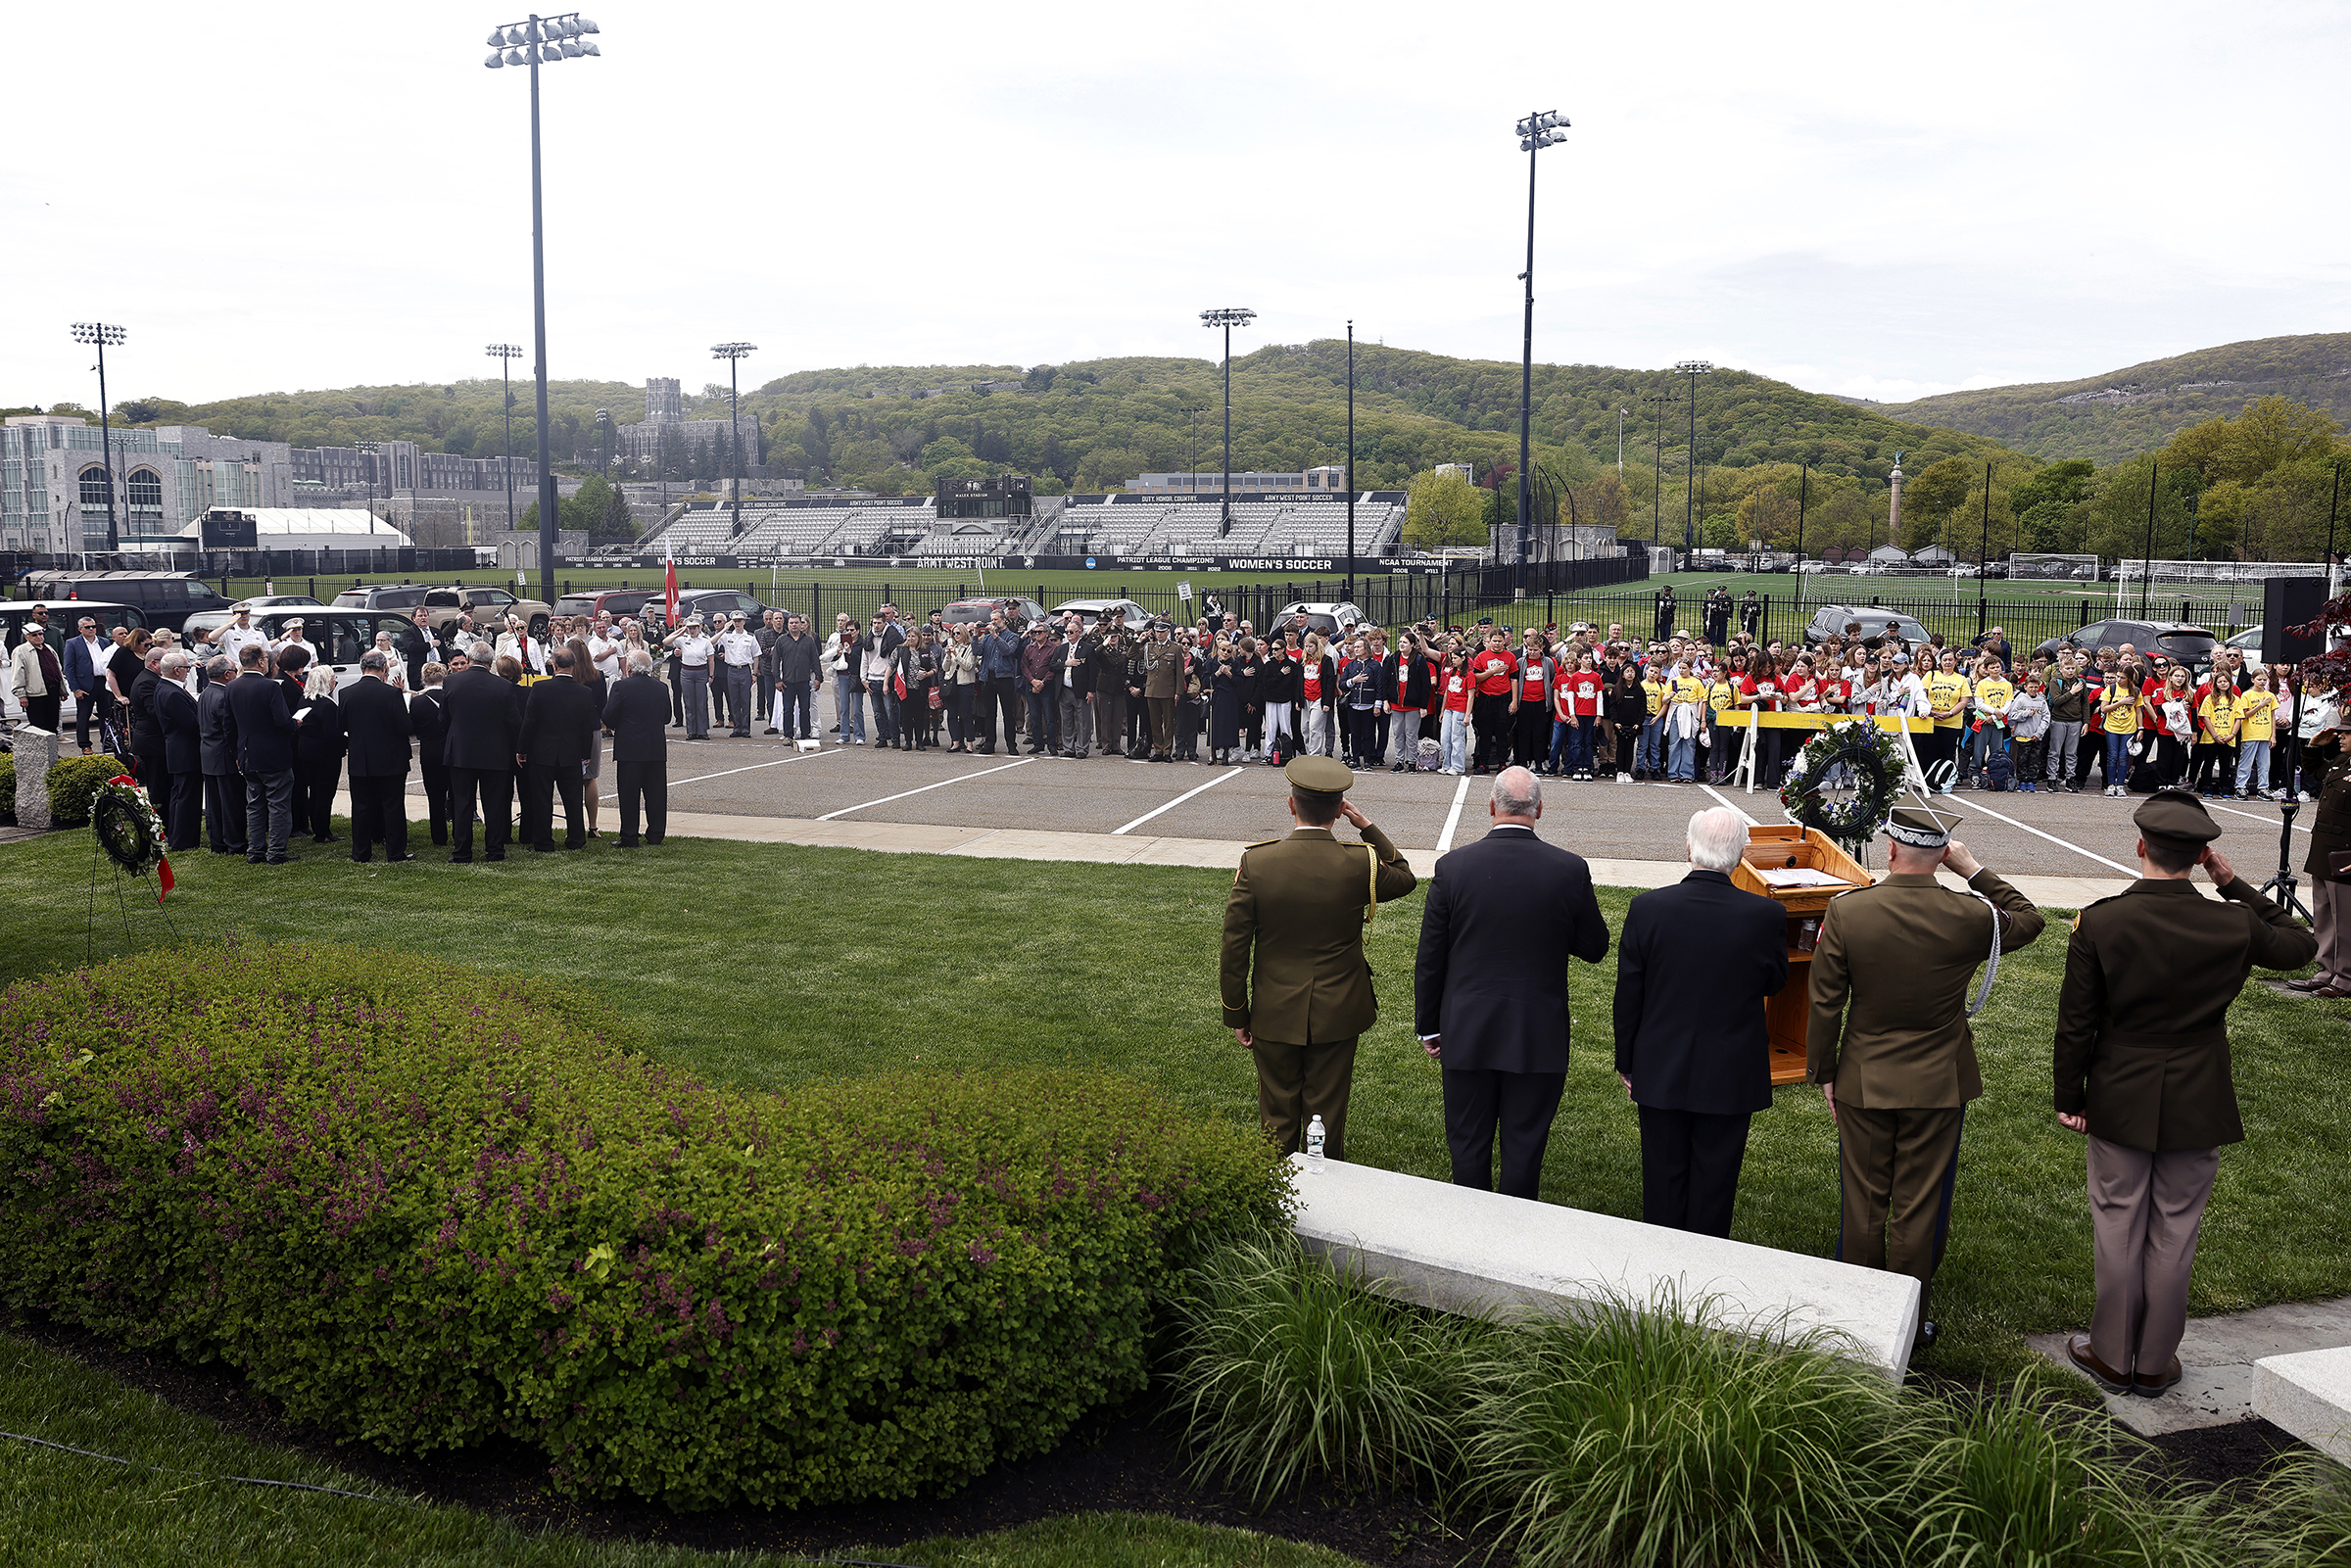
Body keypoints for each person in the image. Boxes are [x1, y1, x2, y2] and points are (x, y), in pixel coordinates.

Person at [2053, 790, 2315, 1396]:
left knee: (2119, 1225)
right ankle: (2152, 1362)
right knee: (2175, 1231)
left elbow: (2076, 1022)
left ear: (2140, 847)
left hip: (2120, 1089)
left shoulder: (2102, 918)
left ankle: (2113, 1356)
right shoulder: (2233, 921)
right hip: (2199, 1092)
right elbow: (2301, 946)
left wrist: (2071, 1093)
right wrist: (2236, 884)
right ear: (2201, 857)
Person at [1805, 805, 2045, 1349]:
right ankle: (1906, 1324)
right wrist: (1973, 870)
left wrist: (1823, 1070)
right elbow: (2028, 919)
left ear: (1890, 850)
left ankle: (1858, 1318)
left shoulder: (1848, 911)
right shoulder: (1971, 914)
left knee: (1864, 1202)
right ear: (1942, 854)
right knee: (1918, 1207)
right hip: (1940, 1081)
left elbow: (1825, 1003)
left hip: (1865, 1077)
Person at [1413, 767, 1610, 1200]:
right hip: (1536, 1033)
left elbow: (1431, 956)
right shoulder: (1569, 869)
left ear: (1491, 807)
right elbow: (1596, 946)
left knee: (1467, 1147)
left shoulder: (1453, 868)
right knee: (1524, 1152)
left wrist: (1429, 1024)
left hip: (1467, 1030)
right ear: (1539, 809)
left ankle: (1472, 1238)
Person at [1221, 756, 1418, 1160]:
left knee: (1276, 1115)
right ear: (1339, 809)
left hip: (1274, 1010)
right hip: (1339, 1008)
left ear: (1291, 804)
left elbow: (1234, 949)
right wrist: (1365, 826)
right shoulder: (1359, 861)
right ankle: (1325, 1194)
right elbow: (1405, 875)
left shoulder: (1257, 862)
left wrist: (1237, 1014)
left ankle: (1276, 1196)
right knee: (1325, 1114)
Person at [1613, 807, 1789, 1235]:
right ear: (1740, 855)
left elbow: (1629, 995)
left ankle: (1663, 1263)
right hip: (1729, 1069)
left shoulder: (1648, 908)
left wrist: (1627, 1060)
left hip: (1661, 1062)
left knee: (1663, 1177)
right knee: (1716, 1182)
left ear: (1688, 849)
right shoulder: (1765, 915)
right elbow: (1775, 982)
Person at [443, 641, 523, 864]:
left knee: (462, 803)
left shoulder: (451, 681)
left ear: (469, 660)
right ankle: (495, 851)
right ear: (490, 663)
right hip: (494, 752)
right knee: (494, 804)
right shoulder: (504, 686)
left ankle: (462, 851)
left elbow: (443, 717)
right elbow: (513, 722)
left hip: (461, 752)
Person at [518, 645, 601, 852]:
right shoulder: (584, 692)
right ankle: (576, 839)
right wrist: (585, 754)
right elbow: (587, 727)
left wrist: (522, 749)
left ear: (554, 665)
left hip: (542, 752)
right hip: (571, 753)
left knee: (542, 799)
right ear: (573, 666)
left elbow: (530, 722)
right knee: (572, 799)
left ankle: (543, 842)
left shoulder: (540, 688)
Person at [225, 642, 299, 865]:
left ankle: (256, 851)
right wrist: (295, 724)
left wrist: (235, 752)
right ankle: (276, 852)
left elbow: (228, 725)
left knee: (255, 804)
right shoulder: (270, 687)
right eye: (266, 659)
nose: (269, 662)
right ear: (260, 661)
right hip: (273, 755)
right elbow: (281, 721)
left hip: (247, 753)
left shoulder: (232, 687)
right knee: (278, 804)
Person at [341, 649, 415, 863]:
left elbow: (342, 725)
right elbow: (405, 726)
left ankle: (361, 853)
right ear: (384, 668)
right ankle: (395, 852)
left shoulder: (346, 693)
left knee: (361, 807)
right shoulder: (391, 694)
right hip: (390, 760)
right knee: (392, 806)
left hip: (360, 759)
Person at [605, 650, 671, 848]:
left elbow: (608, 717)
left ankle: (629, 835)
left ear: (630, 667)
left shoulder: (621, 687)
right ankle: (656, 834)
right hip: (654, 748)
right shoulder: (661, 687)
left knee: (628, 795)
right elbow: (667, 717)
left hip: (630, 748)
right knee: (656, 795)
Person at [154, 651, 204, 852]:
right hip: (185, 751)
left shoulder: (164, 687)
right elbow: (191, 723)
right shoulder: (172, 693)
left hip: (178, 750)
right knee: (187, 796)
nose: (187, 672)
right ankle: (184, 840)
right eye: (186, 669)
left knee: (180, 794)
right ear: (177, 671)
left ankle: (177, 835)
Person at [196, 654, 245, 856]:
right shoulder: (224, 696)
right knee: (231, 803)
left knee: (214, 804)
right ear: (227, 675)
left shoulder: (205, 693)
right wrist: (236, 754)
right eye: (235, 672)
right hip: (224, 755)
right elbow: (229, 730)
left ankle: (218, 842)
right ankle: (235, 843)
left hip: (208, 754)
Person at [293, 665, 345, 843]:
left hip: (306, 751)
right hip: (325, 755)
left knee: (314, 791)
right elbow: (333, 734)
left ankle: (318, 827)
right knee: (324, 793)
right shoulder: (326, 705)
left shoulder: (304, 699)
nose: (334, 682)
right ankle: (322, 831)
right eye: (332, 679)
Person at [409, 662, 453, 847]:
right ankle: (460, 833)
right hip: (452, 750)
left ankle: (439, 837)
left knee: (435, 797)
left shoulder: (417, 702)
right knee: (457, 796)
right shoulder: (451, 697)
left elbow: (414, 728)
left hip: (430, 752)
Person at [664, 615, 714, 740]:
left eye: (694, 628)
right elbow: (666, 641)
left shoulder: (705, 641)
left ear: (699, 628)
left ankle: (702, 731)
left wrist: (711, 675)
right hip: (687, 672)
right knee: (689, 703)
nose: (692, 630)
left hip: (701, 672)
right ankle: (692, 731)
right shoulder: (682, 640)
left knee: (701, 702)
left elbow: (711, 660)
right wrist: (680, 631)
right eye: (689, 628)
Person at [10, 622, 63, 735]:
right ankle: (43, 752)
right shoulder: (20, 651)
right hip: (35, 693)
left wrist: (63, 691)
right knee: (39, 726)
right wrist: (21, 695)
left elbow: (57, 668)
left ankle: (52, 751)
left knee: (53, 724)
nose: (38, 637)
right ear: (26, 637)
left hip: (53, 690)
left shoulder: (48, 648)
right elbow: (18, 674)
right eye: (34, 635)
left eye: (40, 634)